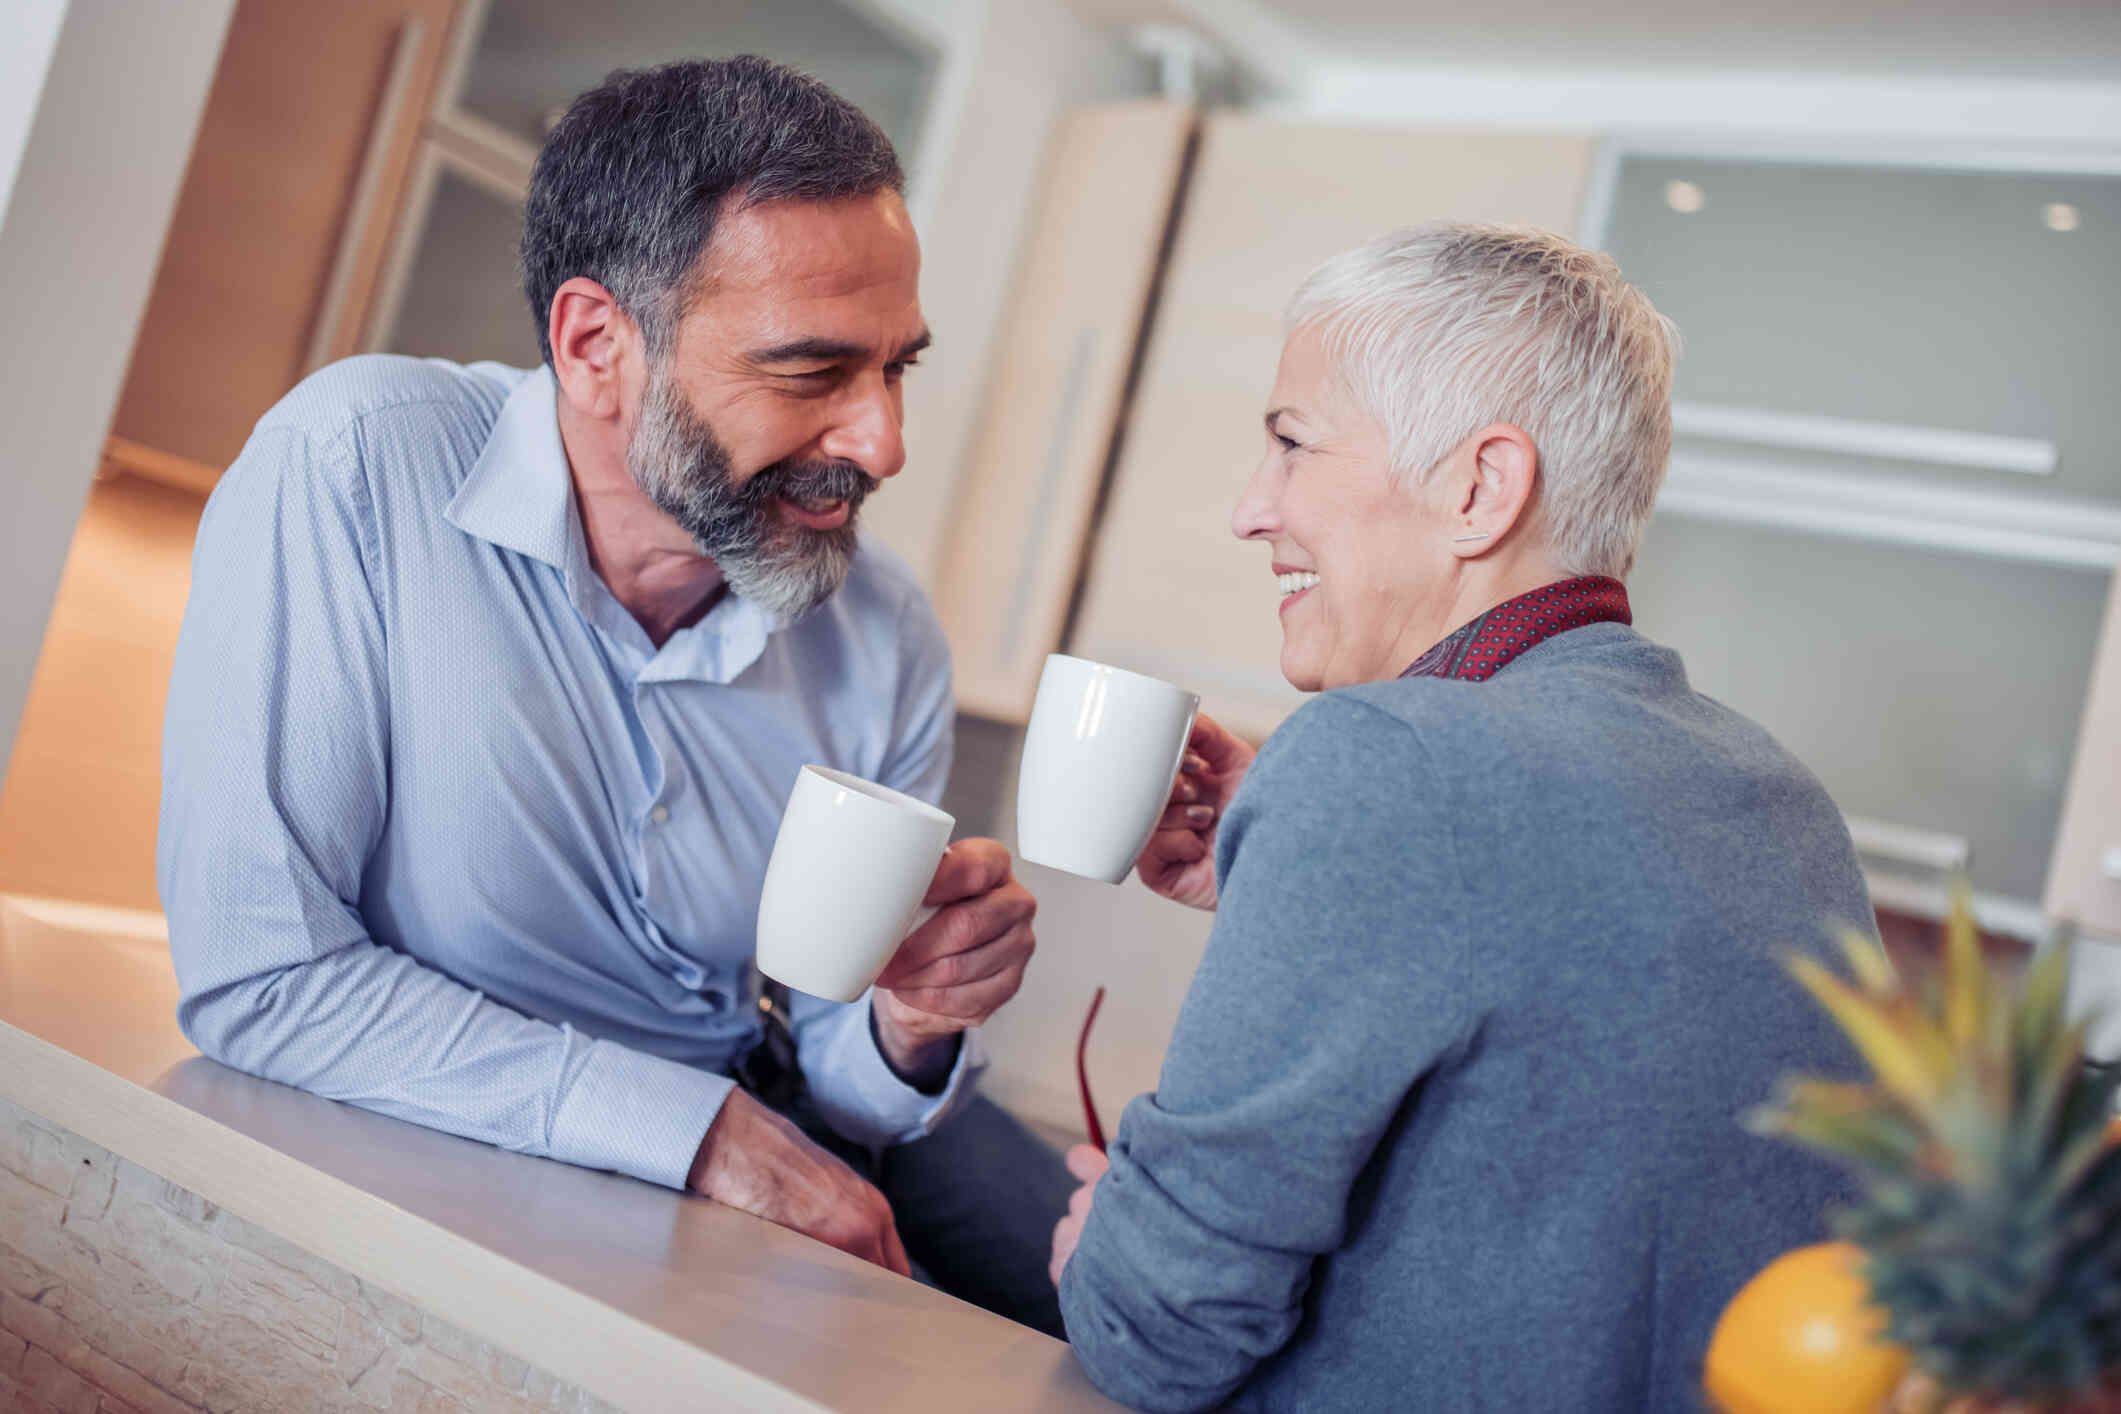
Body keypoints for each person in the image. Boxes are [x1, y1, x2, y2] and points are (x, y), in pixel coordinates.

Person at [159, 56, 1070, 1333]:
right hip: (530, 1170)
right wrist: (703, 1134)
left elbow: (837, 1076)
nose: (885, 443)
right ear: (597, 348)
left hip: (782, 1133)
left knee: (1149, 1322)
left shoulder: (884, 634)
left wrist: (908, 1021)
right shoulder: (355, 466)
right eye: (813, 372)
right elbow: (264, 979)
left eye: (896, 368)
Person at [1048, 223, 1868, 1409]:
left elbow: (1156, 1331)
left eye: (1290, 444)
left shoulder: (1380, 762)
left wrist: (1107, 1257)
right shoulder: (1781, 793)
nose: (1249, 509)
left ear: (1480, 488)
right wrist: (1292, 848)